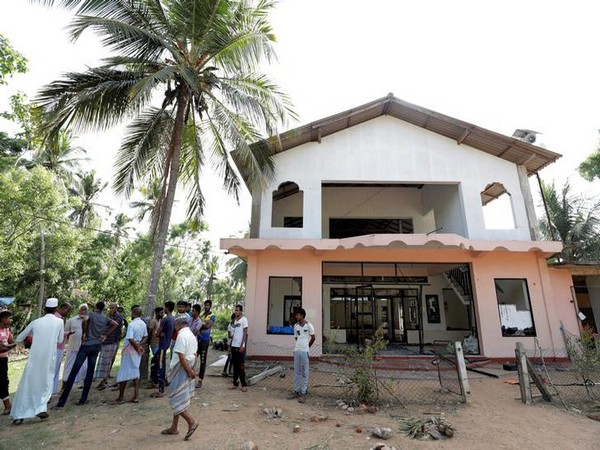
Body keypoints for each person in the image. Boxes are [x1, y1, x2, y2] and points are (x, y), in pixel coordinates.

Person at [11, 298, 64, 424]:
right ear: (56, 309)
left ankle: (19, 415)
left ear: (44, 309)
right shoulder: (59, 322)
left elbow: (19, 338)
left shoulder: (36, 322)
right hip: (49, 358)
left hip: (35, 358)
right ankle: (40, 407)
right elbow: (60, 340)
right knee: (45, 383)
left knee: (28, 384)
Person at [55, 301, 118, 408]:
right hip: (97, 345)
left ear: (95, 308)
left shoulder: (91, 315)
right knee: (90, 373)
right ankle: (83, 399)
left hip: (86, 345)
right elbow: (115, 324)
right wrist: (105, 334)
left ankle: (62, 402)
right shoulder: (104, 318)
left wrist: (84, 333)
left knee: (74, 371)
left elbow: (85, 320)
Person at [160, 314, 198, 441]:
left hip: (181, 369)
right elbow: (195, 354)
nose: (174, 327)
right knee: (180, 397)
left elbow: (181, 357)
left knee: (175, 399)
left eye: (175, 325)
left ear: (179, 324)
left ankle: (191, 421)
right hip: (187, 368)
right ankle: (174, 427)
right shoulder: (191, 335)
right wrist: (192, 370)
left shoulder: (181, 335)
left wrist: (188, 371)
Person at [111, 306, 148, 404]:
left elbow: (130, 339)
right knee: (135, 371)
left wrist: (136, 346)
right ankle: (136, 396)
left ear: (134, 313)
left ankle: (121, 397)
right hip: (137, 350)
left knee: (124, 372)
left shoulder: (132, 325)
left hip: (130, 350)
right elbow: (146, 336)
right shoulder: (143, 324)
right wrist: (139, 344)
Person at [287, 308, 315, 403]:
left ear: (302, 315)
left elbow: (313, 337)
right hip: (297, 351)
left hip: (305, 351)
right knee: (296, 372)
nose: (296, 316)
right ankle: (296, 391)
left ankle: (303, 392)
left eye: (298, 315)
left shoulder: (309, 325)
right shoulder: (296, 326)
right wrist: (299, 346)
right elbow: (296, 337)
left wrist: (307, 346)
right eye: (296, 315)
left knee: (304, 372)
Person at [95, 302, 124, 390]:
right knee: (104, 361)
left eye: (112, 308)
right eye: (110, 308)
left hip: (112, 341)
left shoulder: (118, 317)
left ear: (116, 308)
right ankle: (104, 379)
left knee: (107, 361)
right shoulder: (108, 316)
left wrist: (106, 335)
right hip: (105, 341)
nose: (111, 309)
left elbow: (114, 325)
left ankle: (104, 380)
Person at [150, 301, 174, 398]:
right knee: (158, 363)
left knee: (160, 367)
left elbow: (157, 333)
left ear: (167, 308)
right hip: (167, 344)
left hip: (162, 346)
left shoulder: (165, 319)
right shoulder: (173, 319)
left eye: (165, 307)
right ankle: (157, 383)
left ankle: (161, 390)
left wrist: (158, 334)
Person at [62, 304, 89, 388]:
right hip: (73, 347)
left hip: (84, 347)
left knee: (85, 367)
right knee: (68, 366)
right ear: (79, 310)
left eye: (85, 309)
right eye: (82, 309)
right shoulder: (71, 320)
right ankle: (64, 383)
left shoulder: (89, 320)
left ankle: (83, 382)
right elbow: (65, 332)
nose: (83, 311)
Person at [53, 302, 73, 394]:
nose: (67, 313)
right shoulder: (57, 319)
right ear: (63, 308)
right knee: (54, 370)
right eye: (67, 310)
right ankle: (52, 390)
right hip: (56, 347)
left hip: (59, 347)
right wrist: (68, 333)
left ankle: (53, 390)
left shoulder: (59, 318)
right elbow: (57, 334)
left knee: (56, 370)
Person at [228, 304, 248, 392]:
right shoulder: (235, 321)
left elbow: (245, 333)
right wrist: (230, 345)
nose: (235, 312)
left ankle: (243, 385)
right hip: (234, 345)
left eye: (237, 310)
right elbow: (233, 334)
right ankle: (235, 384)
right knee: (235, 365)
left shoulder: (244, 320)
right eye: (235, 310)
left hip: (240, 346)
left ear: (241, 311)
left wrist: (242, 345)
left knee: (241, 366)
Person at [196, 299, 216, 388]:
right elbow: (199, 323)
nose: (206, 307)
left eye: (208, 305)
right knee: (193, 358)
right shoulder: (202, 314)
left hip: (205, 340)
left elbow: (208, 326)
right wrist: (202, 324)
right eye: (205, 305)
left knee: (203, 360)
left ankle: (200, 379)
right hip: (198, 339)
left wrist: (201, 324)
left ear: (210, 306)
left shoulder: (212, 316)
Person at [0, 310, 16, 415]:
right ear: (4, 319)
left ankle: (8, 406)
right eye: (10, 318)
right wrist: (6, 347)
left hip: (3, 360)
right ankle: (8, 406)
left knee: (3, 382)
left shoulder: (6, 331)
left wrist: (6, 346)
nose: (11, 320)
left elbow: (13, 343)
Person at [221, 313, 235, 377]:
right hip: (230, 343)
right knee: (229, 357)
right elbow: (229, 335)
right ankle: (224, 370)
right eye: (234, 319)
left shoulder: (236, 325)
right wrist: (234, 336)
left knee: (232, 358)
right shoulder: (230, 326)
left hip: (235, 343)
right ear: (232, 319)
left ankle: (229, 370)